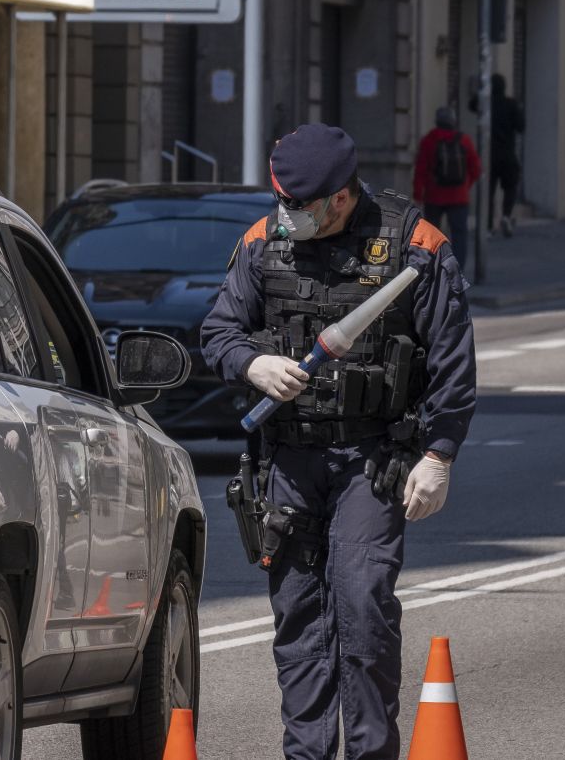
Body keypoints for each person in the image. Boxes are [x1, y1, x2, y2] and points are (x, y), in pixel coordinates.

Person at [202, 124, 478, 760]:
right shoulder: (261, 242)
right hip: (289, 460)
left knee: (362, 607)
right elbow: (219, 330)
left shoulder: (415, 246)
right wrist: (251, 363)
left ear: (342, 199)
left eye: (300, 205)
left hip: (371, 459)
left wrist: (437, 456)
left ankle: (370, 752)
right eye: (282, 201)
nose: (287, 214)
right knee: (298, 617)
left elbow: (452, 366)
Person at [412, 106, 480, 267]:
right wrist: (465, 186)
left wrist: (418, 195)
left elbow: (420, 169)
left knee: (432, 236)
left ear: (437, 122)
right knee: (459, 235)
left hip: (434, 196)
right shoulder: (464, 140)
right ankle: (458, 270)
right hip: (459, 197)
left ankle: (433, 269)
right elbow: (476, 169)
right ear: (454, 121)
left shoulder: (429, 140)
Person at [482, 75, 526, 237]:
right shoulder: (511, 104)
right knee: (511, 187)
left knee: (488, 191)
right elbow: (521, 127)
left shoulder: (486, 103)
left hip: (489, 154)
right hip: (508, 153)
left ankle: (487, 226)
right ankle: (506, 215)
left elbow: (471, 104)